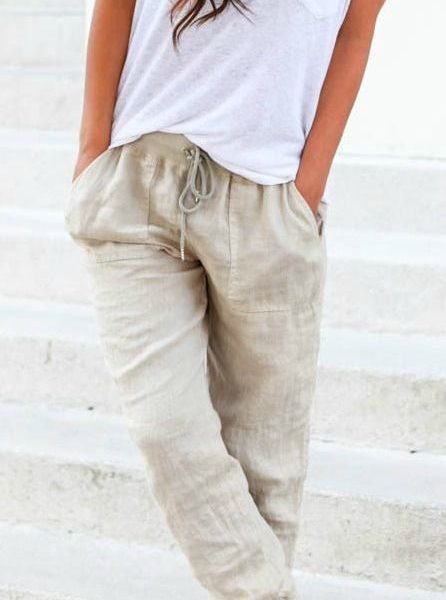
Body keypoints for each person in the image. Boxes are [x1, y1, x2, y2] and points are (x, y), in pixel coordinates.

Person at [64, 1, 386, 598]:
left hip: (269, 202)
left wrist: (305, 189)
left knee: (268, 467)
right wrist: (92, 148)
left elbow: (355, 29)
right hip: (138, 184)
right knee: (164, 424)